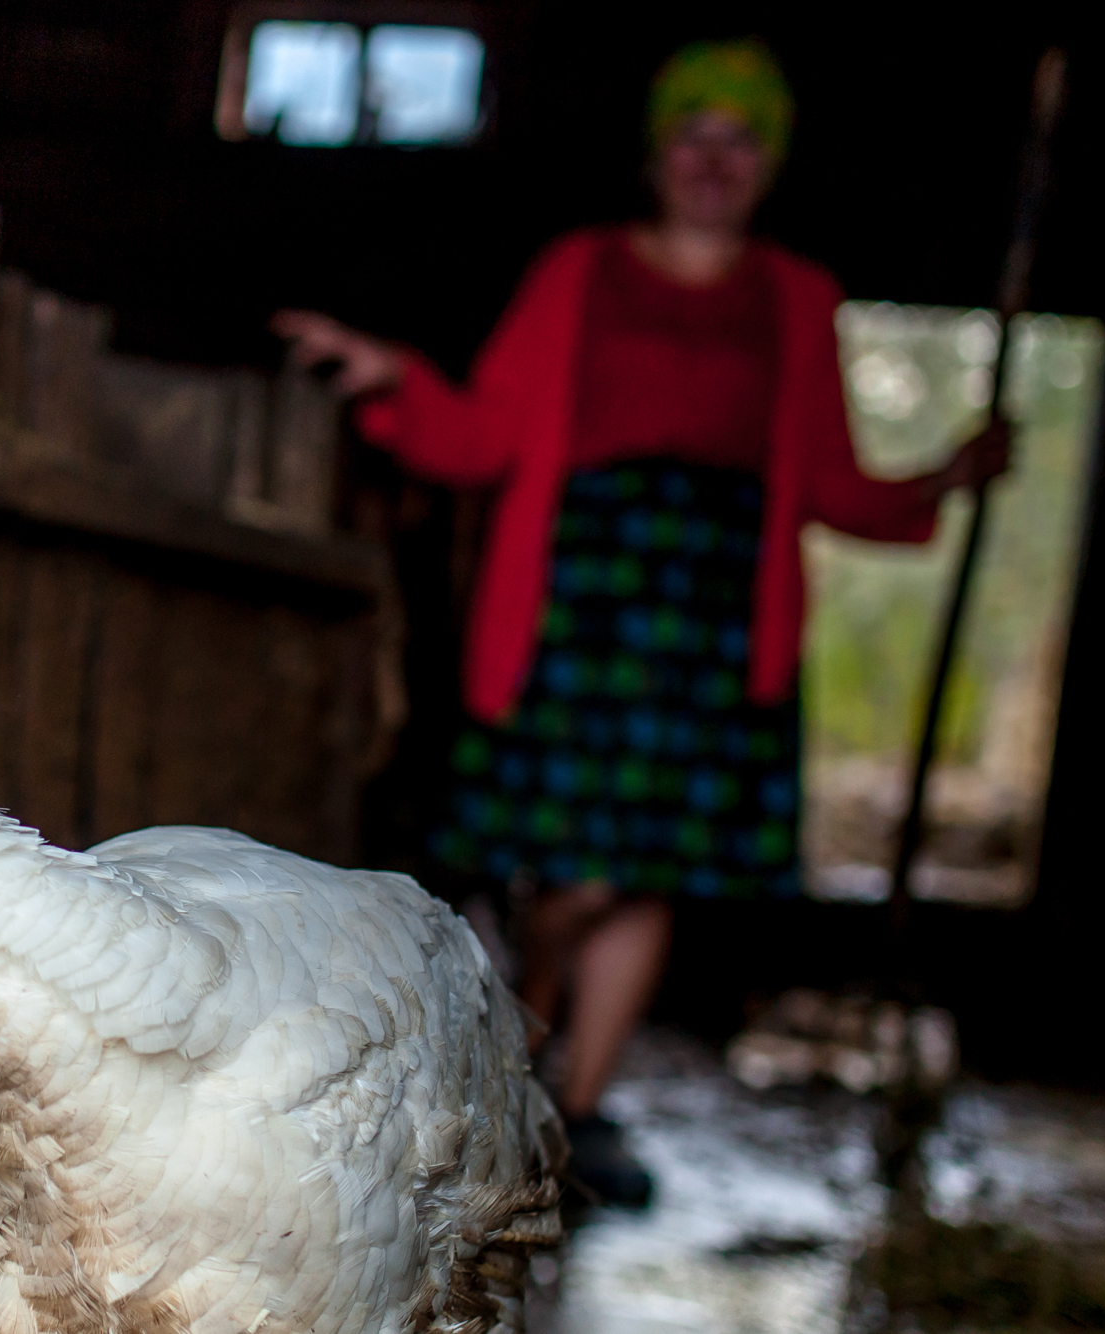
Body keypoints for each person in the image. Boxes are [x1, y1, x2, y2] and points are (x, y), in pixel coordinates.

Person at [274, 39, 1008, 1208]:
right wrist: (391, 377)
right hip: (587, 594)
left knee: (649, 873)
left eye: (740, 139)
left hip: (712, 611)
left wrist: (944, 475)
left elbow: (830, 479)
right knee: (575, 868)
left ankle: (570, 1109)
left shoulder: (797, 298)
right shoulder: (578, 274)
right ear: (657, 155)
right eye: (692, 135)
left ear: (767, 164)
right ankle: (534, 995)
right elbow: (483, 437)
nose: (713, 160)